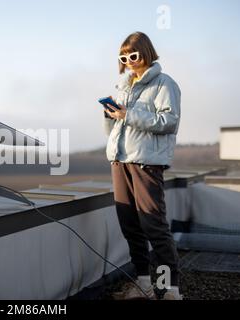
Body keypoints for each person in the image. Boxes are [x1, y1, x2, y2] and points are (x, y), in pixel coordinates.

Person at [103, 31, 182, 300]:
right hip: (119, 160)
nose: (129, 60)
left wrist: (129, 115)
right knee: (130, 225)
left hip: (146, 163)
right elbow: (115, 129)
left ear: (146, 52)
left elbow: (168, 122)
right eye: (124, 57)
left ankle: (169, 289)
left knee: (153, 225)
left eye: (134, 55)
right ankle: (145, 282)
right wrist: (111, 116)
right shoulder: (123, 87)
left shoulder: (164, 83)